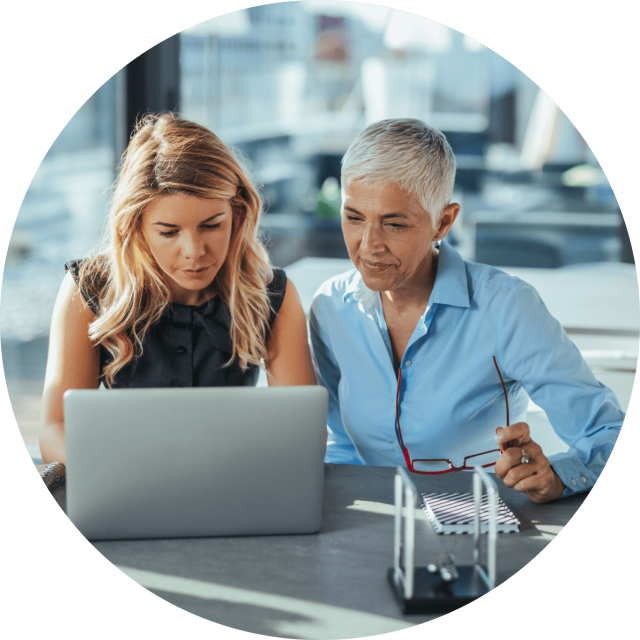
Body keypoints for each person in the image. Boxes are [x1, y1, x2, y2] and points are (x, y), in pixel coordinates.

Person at [309, 118, 624, 503]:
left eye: (394, 224)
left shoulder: (507, 307)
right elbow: (342, 442)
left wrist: (557, 476)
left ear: (443, 222)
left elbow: (606, 432)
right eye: (354, 217)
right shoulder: (329, 309)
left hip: (483, 523)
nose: (368, 245)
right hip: (372, 525)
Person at [39, 113, 317, 465]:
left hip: (232, 484)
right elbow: (55, 428)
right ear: (136, 226)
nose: (195, 252)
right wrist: (113, 473)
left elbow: (302, 430)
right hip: (124, 488)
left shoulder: (270, 292)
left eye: (212, 225)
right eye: (169, 232)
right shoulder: (88, 289)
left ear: (237, 212)